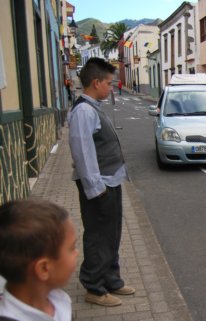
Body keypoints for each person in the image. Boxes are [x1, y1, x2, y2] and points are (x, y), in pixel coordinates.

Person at [68, 57, 134, 307]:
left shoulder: (92, 106)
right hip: (100, 186)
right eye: (109, 83)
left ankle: (111, 280)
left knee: (111, 233)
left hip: (109, 181)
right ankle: (94, 287)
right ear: (96, 83)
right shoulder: (84, 111)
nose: (112, 87)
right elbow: (83, 152)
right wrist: (96, 189)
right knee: (98, 235)